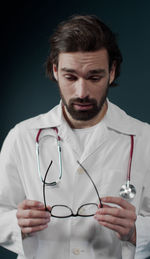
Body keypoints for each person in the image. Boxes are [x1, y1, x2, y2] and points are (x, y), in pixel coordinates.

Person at [0, 15, 150, 259]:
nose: (82, 92)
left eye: (94, 77)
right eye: (71, 77)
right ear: (56, 71)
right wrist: (18, 224)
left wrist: (136, 231)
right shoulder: (22, 137)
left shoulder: (144, 139)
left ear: (111, 72)